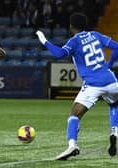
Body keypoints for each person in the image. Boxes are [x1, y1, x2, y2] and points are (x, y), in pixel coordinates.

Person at [36, 12, 118, 160]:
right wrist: (109, 65)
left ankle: (72, 146)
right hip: (112, 81)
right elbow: (116, 47)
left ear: (71, 26)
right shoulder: (96, 35)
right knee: (114, 104)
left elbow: (60, 54)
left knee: (75, 114)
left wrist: (44, 41)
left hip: (93, 85)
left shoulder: (74, 41)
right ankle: (114, 132)